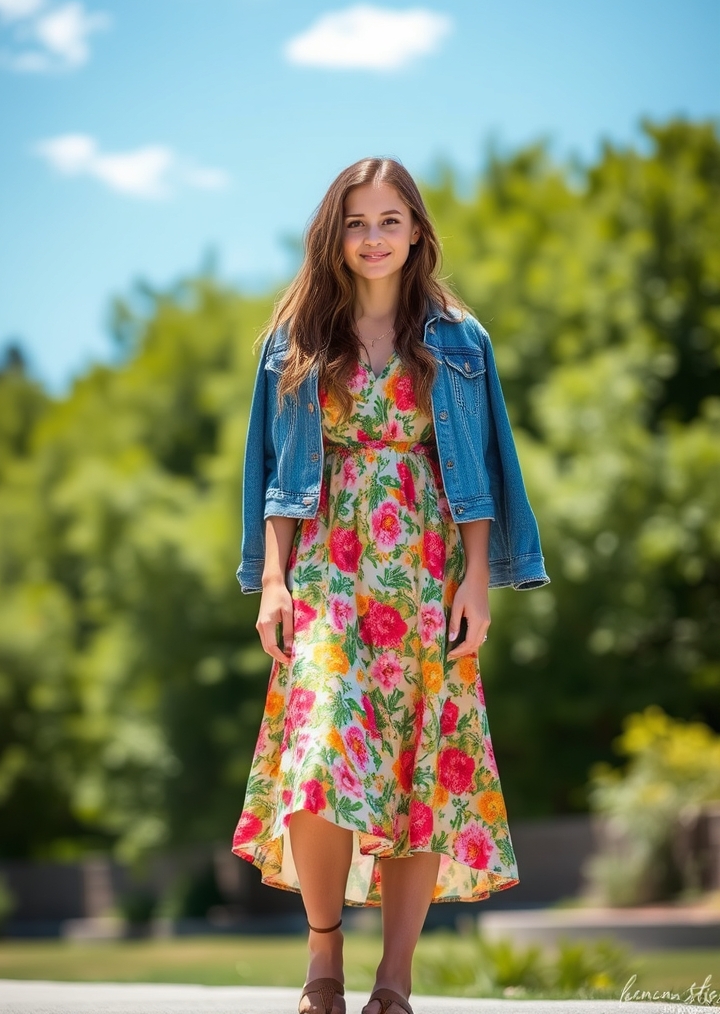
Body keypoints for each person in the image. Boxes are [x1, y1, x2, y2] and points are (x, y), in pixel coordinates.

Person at [232, 157, 549, 1014]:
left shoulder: (459, 339)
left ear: (416, 231)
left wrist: (479, 580)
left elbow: (481, 469)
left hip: (424, 570)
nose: (373, 239)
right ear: (334, 233)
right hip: (330, 567)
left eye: (389, 221)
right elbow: (272, 474)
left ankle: (395, 981)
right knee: (317, 750)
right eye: (356, 222)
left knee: (422, 768)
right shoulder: (295, 337)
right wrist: (271, 578)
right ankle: (324, 954)